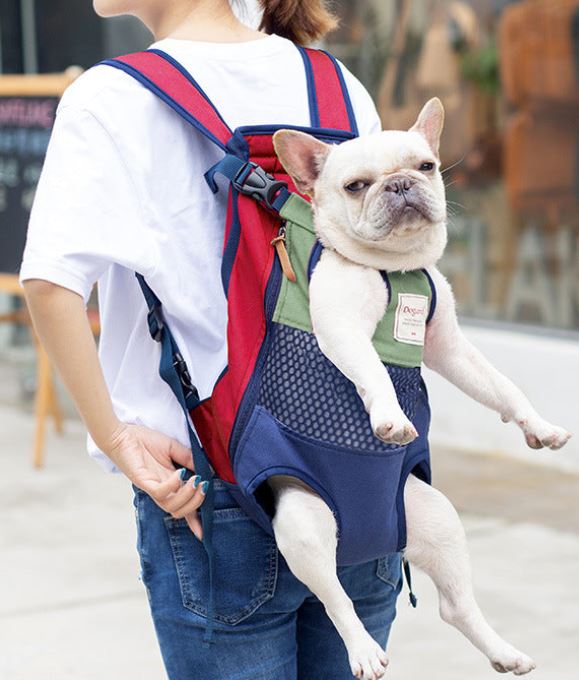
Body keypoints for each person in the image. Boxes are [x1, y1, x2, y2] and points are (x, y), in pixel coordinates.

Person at [19, 1, 404, 677]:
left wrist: (116, 438)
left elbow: (50, 285)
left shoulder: (112, 96)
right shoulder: (336, 86)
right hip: (358, 476)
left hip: (213, 480)